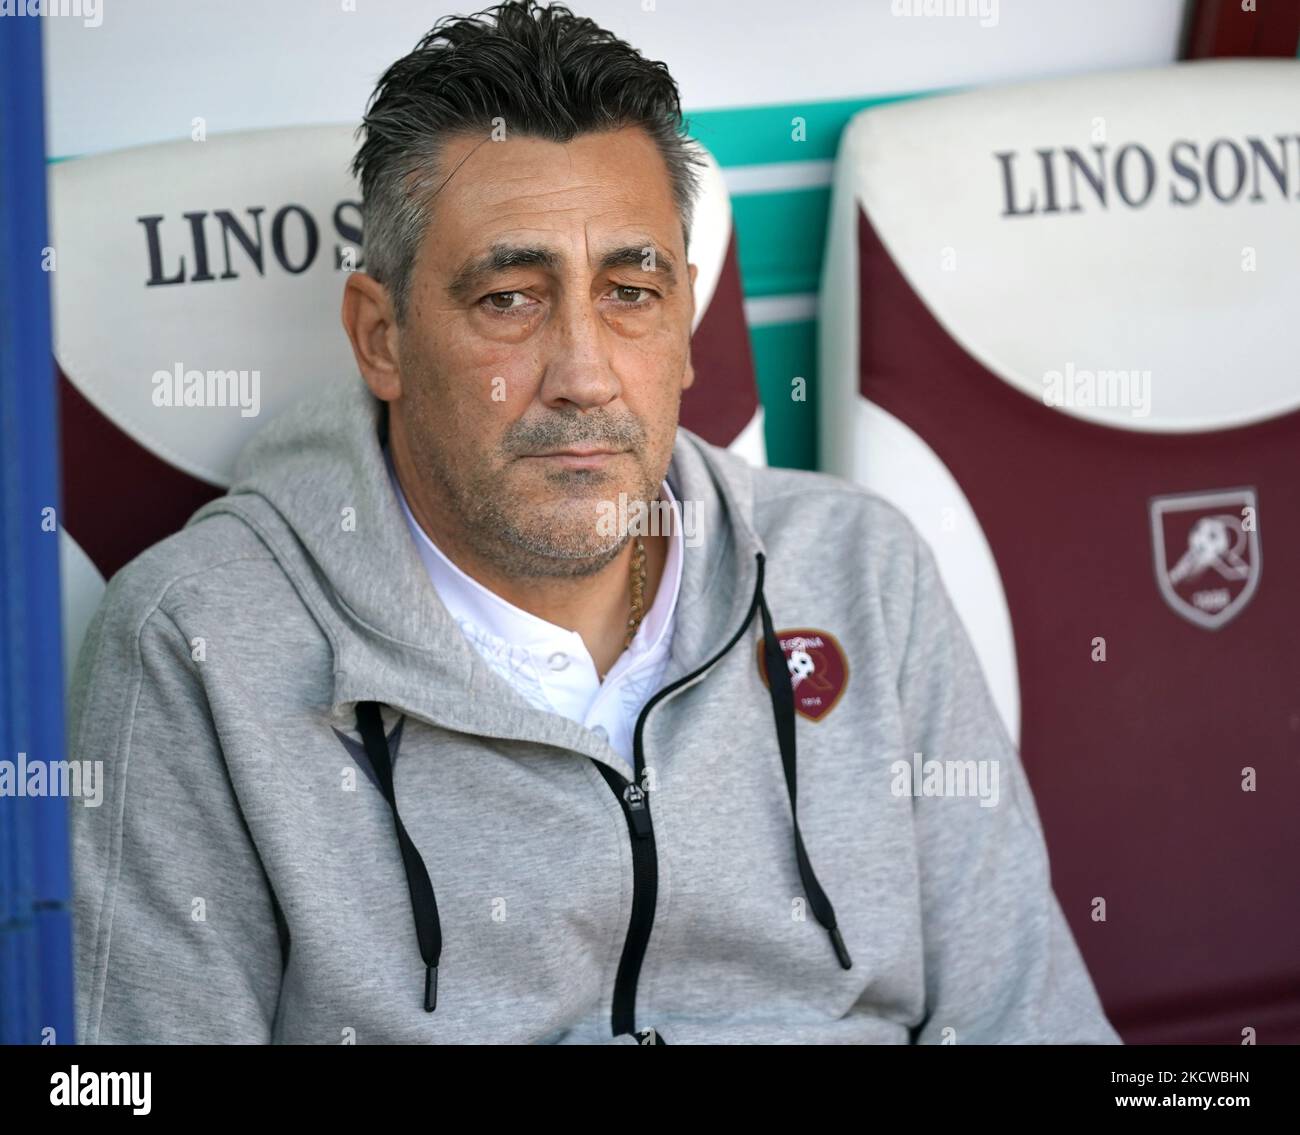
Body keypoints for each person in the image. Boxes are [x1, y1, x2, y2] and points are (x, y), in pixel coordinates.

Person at [69, 0, 1120, 1044]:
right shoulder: (193, 643)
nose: (583, 375)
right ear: (380, 338)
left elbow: (1029, 1020)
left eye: (629, 291)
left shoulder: (861, 571)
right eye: (510, 298)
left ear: (684, 322)